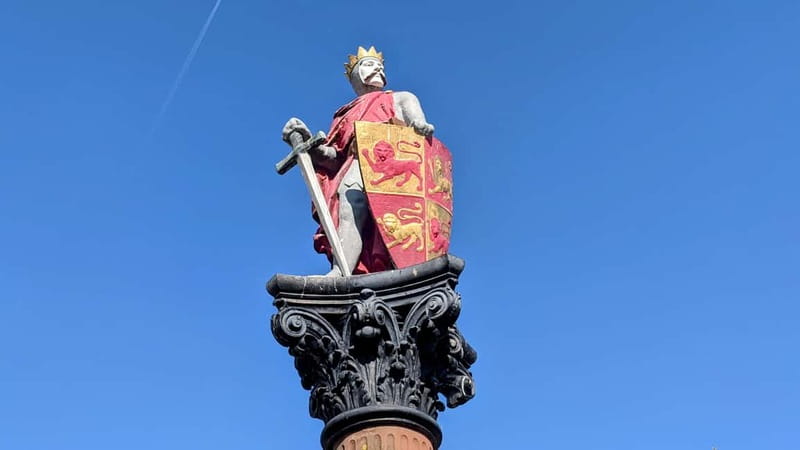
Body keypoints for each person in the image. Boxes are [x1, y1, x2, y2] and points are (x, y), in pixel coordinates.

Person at [282, 46, 434, 276]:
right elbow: (334, 158)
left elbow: (417, 123)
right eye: (371, 65)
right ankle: (342, 270)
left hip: (393, 161)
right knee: (350, 208)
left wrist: (419, 125)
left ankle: (399, 267)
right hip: (358, 163)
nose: (379, 69)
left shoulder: (401, 97)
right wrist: (308, 144)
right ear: (357, 75)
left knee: (392, 221)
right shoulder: (344, 114)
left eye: (380, 66)